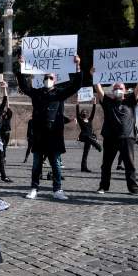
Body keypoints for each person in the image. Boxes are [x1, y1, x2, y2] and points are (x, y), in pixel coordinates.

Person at [18, 57, 82, 200]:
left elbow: (75, 86)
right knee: (36, 164)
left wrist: (77, 67)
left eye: (50, 77)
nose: (48, 79)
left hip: (54, 134)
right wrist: (22, 67)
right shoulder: (37, 93)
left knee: (56, 164)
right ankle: (34, 188)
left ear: (55, 79)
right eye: (46, 77)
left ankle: (57, 189)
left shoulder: (60, 93)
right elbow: (24, 87)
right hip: (39, 134)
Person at [94, 62, 138, 196]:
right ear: (113, 91)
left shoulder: (131, 101)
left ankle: (133, 188)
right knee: (106, 165)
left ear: (125, 90)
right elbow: (98, 89)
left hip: (127, 137)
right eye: (116, 87)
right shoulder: (107, 101)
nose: (118, 89)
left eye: (121, 87)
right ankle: (103, 187)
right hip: (110, 137)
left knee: (130, 164)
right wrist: (94, 75)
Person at [76, 98, 102, 172]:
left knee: (85, 153)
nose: (84, 113)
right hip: (83, 136)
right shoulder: (80, 120)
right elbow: (77, 113)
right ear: (81, 114)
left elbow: (93, 112)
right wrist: (77, 104)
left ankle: (83, 167)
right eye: (83, 112)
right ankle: (97, 146)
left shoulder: (90, 120)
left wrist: (94, 103)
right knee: (88, 137)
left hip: (89, 138)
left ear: (87, 114)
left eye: (85, 112)